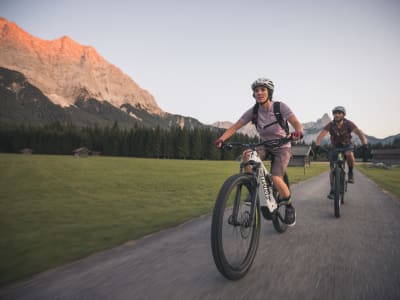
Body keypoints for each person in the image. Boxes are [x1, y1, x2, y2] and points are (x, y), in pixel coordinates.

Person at [215, 78, 303, 226]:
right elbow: (235, 126)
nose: (259, 93)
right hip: (265, 145)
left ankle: (289, 207)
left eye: (263, 90)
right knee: (247, 155)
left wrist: (298, 132)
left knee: (276, 178)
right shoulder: (254, 111)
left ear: (269, 92)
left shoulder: (279, 107)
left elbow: (295, 122)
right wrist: (221, 139)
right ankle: (252, 188)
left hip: (282, 146)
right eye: (256, 91)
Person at [315, 106, 367, 199]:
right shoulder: (330, 125)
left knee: (349, 154)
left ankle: (350, 172)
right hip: (335, 147)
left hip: (347, 145)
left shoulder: (349, 124)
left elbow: (359, 133)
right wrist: (318, 145)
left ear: (343, 115)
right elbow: (320, 135)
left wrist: (364, 143)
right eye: (335, 113)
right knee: (332, 170)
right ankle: (332, 190)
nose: (337, 115)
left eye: (339, 113)